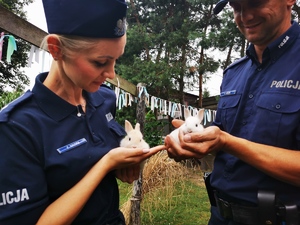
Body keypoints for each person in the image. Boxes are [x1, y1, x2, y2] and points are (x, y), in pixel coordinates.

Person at [0, 0, 165, 224]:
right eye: (100, 62)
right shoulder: (17, 127)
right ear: (56, 49)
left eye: (116, 59)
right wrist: (105, 164)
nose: (110, 73)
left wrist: (125, 163)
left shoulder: (105, 98)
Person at [165, 0, 300, 224]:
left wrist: (225, 142)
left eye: (255, 3)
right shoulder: (233, 73)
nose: (245, 16)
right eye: (236, 7)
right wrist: (192, 139)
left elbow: (226, 140)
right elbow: (224, 132)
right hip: (219, 215)